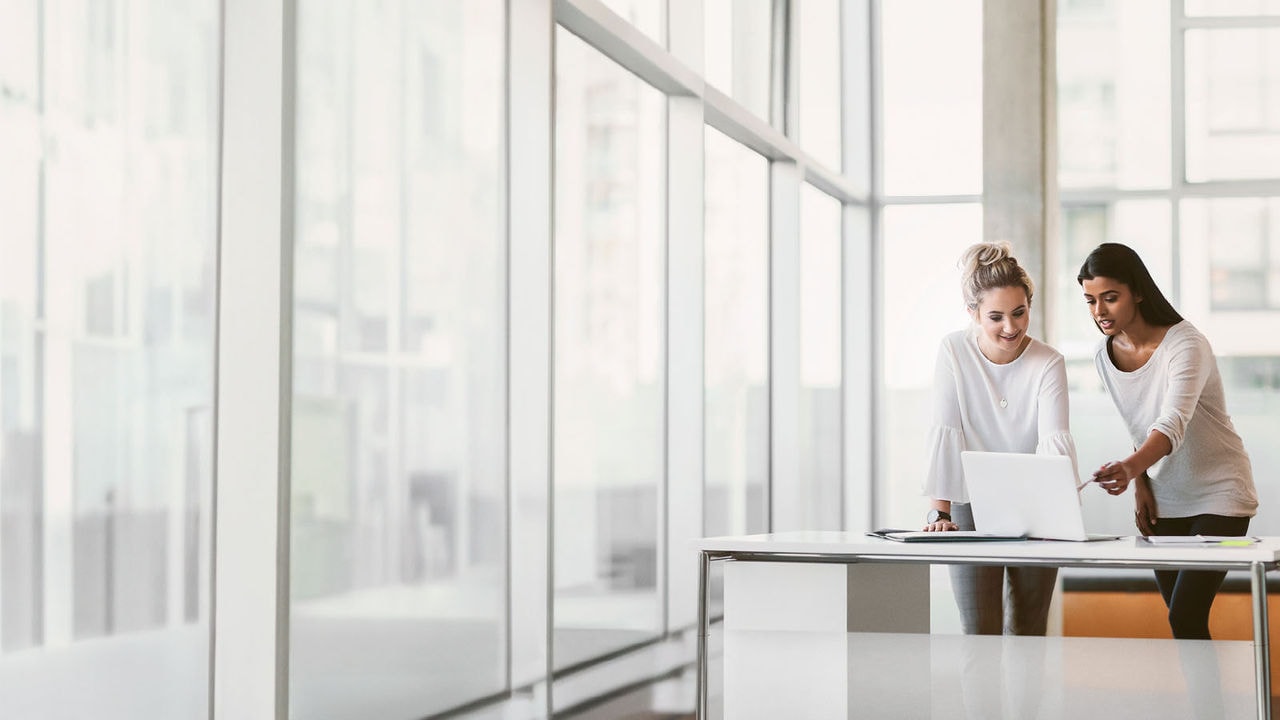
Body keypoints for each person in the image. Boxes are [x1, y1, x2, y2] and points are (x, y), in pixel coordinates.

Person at [1079, 242, 1258, 640]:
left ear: (1138, 291)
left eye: (1110, 298)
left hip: (1221, 493)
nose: (1099, 312)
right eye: (1090, 301)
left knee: (1185, 617)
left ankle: (1216, 705)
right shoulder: (1104, 355)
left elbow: (1171, 423)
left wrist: (1129, 468)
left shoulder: (1186, 344)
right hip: (1166, 499)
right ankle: (1205, 706)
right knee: (1185, 627)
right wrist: (1140, 482)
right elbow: (1138, 424)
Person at [922, 241, 1080, 635]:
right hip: (969, 506)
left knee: (1029, 628)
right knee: (979, 629)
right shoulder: (953, 351)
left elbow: (1054, 440)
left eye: (1019, 313)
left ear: (1030, 306)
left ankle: (1026, 701)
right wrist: (940, 513)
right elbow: (946, 428)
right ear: (973, 313)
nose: (1010, 327)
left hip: (1036, 509)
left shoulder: (1048, 362)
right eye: (995, 316)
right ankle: (982, 702)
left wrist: (1057, 516)